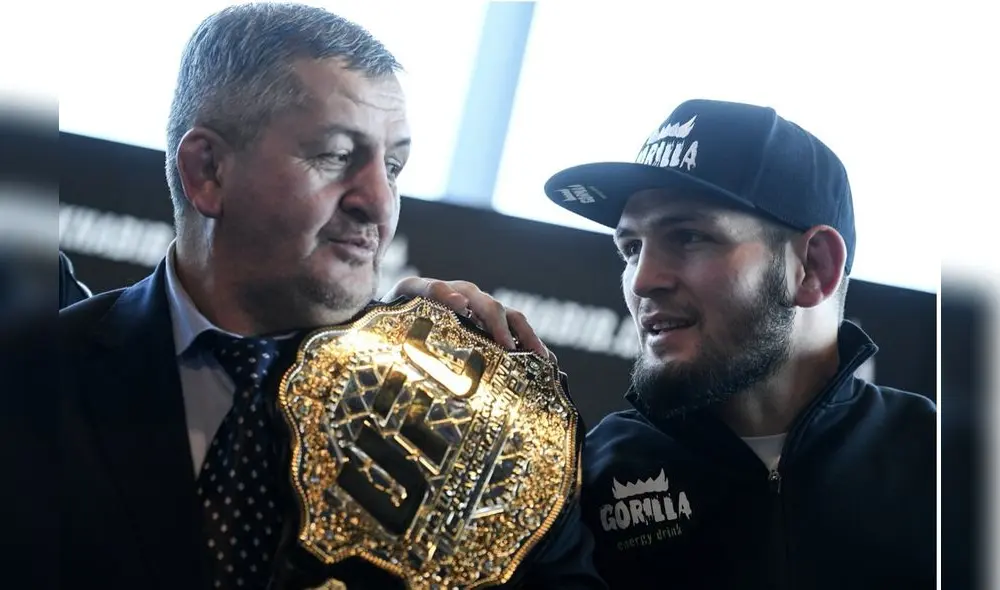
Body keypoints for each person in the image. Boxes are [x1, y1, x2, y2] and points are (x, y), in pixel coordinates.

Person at [15, 4, 606, 589]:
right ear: (209, 171)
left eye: (394, 166)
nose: (378, 202)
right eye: (335, 155)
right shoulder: (31, 376)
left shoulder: (485, 429)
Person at [541, 99, 936, 589]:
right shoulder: (579, 482)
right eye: (631, 248)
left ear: (813, 267)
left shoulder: (947, 469)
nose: (642, 281)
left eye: (688, 237)